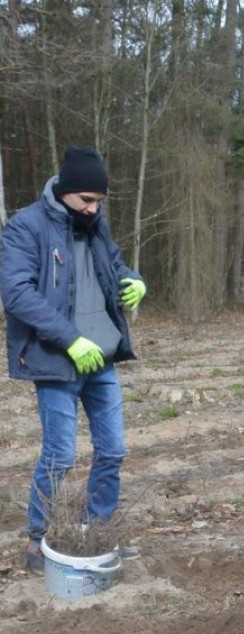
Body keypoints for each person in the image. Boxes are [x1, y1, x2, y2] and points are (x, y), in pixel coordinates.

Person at [2, 146, 147, 574]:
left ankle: (96, 528)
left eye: (99, 200)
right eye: (86, 199)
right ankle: (36, 539)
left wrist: (134, 281)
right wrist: (70, 340)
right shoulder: (26, 227)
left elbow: (117, 267)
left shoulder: (96, 226)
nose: (93, 207)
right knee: (60, 456)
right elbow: (17, 293)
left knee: (113, 449)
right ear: (63, 191)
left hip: (101, 359)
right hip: (57, 360)